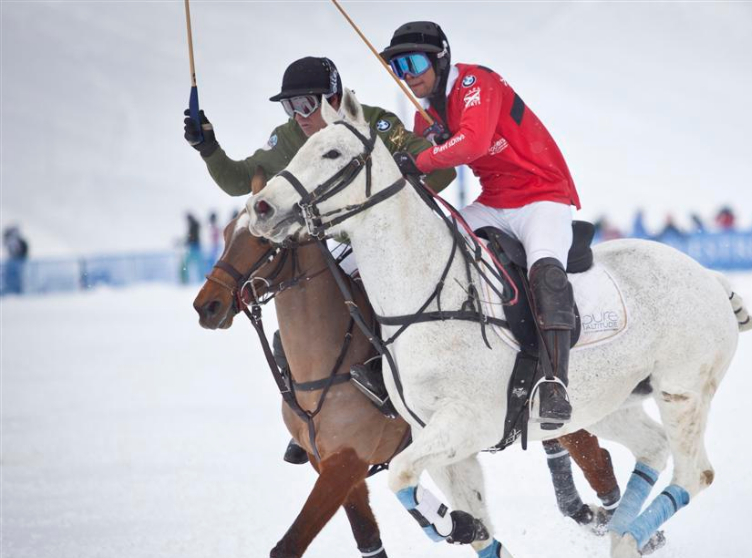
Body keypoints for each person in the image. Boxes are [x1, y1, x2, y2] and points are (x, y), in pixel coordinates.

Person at [183, 56, 456, 460]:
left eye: (305, 106)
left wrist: (405, 174)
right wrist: (208, 149)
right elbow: (240, 180)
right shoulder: (290, 139)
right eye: (289, 108)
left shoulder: (375, 124)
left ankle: (405, 390)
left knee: (385, 303)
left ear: (331, 98)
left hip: (385, 240)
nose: (298, 117)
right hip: (333, 245)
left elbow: (440, 172)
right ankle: (307, 414)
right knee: (299, 314)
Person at [380, 21, 580, 427]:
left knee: (546, 274)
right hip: (494, 202)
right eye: (399, 67)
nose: (409, 75)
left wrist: (420, 158)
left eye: (415, 62)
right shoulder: (425, 114)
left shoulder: (476, 81)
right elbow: (438, 175)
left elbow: (471, 143)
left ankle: (556, 383)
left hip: (544, 195)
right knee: (435, 247)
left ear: (440, 59)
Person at [3, 225, 29, 295]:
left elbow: (24, 250)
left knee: (18, 278)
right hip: (13, 263)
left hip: (18, 263)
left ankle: (17, 290)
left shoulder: (19, 242)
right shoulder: (10, 241)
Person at [182, 212, 204, 285]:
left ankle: (186, 280)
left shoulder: (193, 225)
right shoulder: (195, 224)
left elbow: (192, 236)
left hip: (194, 246)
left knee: (187, 264)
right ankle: (201, 279)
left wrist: (187, 241)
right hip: (196, 246)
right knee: (199, 264)